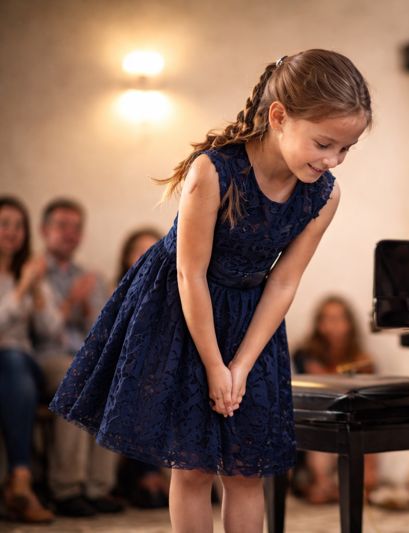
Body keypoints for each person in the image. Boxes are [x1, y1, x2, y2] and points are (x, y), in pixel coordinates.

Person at [49, 49, 371, 533]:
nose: (333, 161)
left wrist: (240, 365)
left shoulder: (324, 195)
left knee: (246, 469)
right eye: (325, 143)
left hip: (252, 320)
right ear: (279, 116)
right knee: (193, 464)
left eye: (345, 150)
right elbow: (189, 276)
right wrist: (214, 366)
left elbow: (284, 281)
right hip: (182, 311)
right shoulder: (213, 172)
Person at [34, 198, 123, 517]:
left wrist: (87, 308)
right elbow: (46, 332)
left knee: (113, 380)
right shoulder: (34, 272)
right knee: (74, 377)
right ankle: (66, 488)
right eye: (62, 226)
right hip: (46, 358)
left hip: (82, 357)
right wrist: (73, 300)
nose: (70, 233)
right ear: (45, 231)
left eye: (76, 228)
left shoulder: (91, 277)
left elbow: (100, 333)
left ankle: (98, 487)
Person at [0, 196, 59, 524]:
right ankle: (20, 484)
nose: (12, 231)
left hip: (21, 362)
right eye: (5, 224)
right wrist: (21, 290)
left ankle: (20, 478)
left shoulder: (31, 273)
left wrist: (36, 291)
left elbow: (52, 331)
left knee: (13, 358)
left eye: (18, 225)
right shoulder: (17, 280)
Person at [292, 295, 377, 503]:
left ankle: (344, 486)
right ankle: (321, 483)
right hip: (314, 427)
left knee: (363, 438)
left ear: (349, 324)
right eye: (328, 319)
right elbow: (320, 391)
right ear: (319, 324)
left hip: (348, 426)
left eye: (339, 318)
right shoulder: (304, 354)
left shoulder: (362, 360)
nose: (334, 325)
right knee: (321, 444)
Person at [113, 227, 172, 509]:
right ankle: (145, 475)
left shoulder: (173, 292)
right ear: (127, 258)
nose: (149, 257)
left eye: (155, 250)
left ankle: (165, 477)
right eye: (141, 251)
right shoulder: (117, 291)